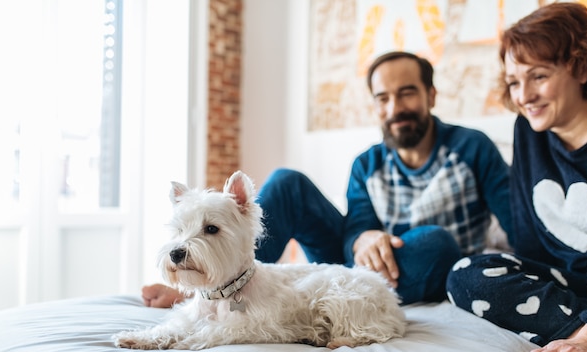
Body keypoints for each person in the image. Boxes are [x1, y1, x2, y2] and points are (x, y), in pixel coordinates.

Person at [143, 51, 512, 307]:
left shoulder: (472, 147)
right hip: (355, 268)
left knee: (435, 241)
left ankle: (342, 300)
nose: (394, 108)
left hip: (419, 265)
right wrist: (365, 237)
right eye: (383, 98)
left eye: (407, 94)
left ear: (430, 95)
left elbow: (518, 223)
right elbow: (355, 231)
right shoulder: (367, 163)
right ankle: (221, 285)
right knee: (287, 181)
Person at [446, 2, 587, 352]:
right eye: (513, 81)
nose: (523, 96)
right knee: (467, 274)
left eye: (538, 76)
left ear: (583, 66)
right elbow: (530, 246)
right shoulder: (529, 131)